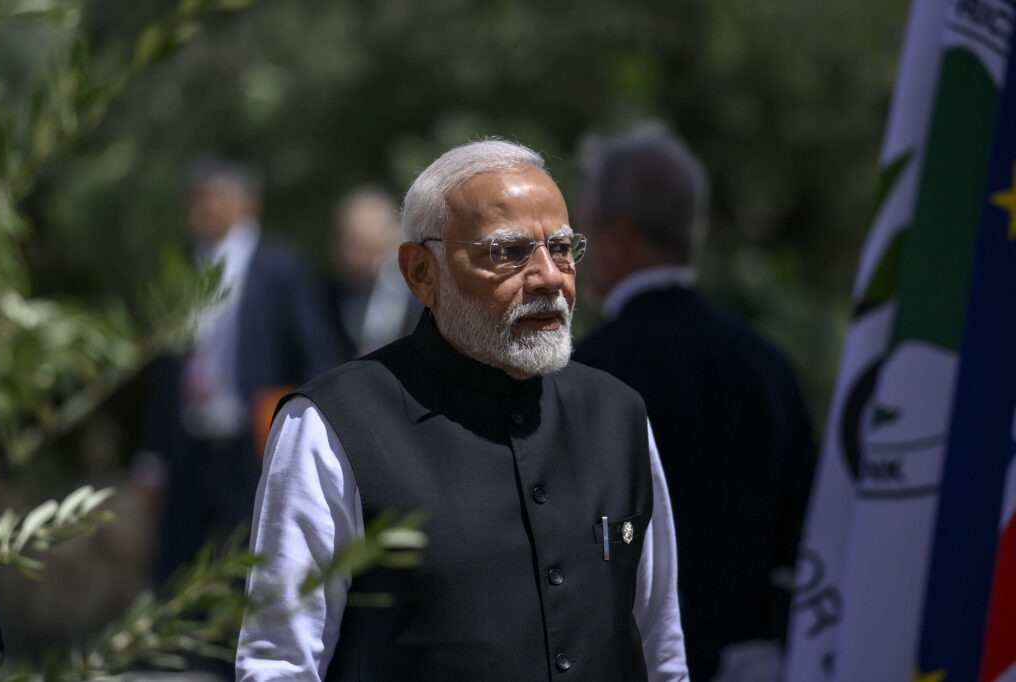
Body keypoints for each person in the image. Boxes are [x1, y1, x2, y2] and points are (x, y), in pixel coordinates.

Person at [236, 139, 689, 681]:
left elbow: (659, 646)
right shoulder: (332, 426)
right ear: (422, 273)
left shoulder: (617, 415)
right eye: (508, 252)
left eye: (562, 248)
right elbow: (280, 663)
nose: (548, 276)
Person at [573, 129, 816, 682]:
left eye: (586, 236)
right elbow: (804, 528)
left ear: (621, 235)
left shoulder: (588, 374)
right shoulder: (766, 363)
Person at [139, 155, 346, 585]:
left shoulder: (279, 269)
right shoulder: (181, 265)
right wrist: (153, 452)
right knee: (175, 572)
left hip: (252, 445)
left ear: (248, 205)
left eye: (216, 199)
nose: (204, 210)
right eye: (197, 200)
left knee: (253, 568)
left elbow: (316, 355)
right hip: (188, 446)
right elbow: (163, 367)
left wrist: (305, 435)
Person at [326, 186, 422, 357]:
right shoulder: (326, 298)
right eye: (349, 243)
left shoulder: (418, 293)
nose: (353, 255)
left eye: (365, 245)